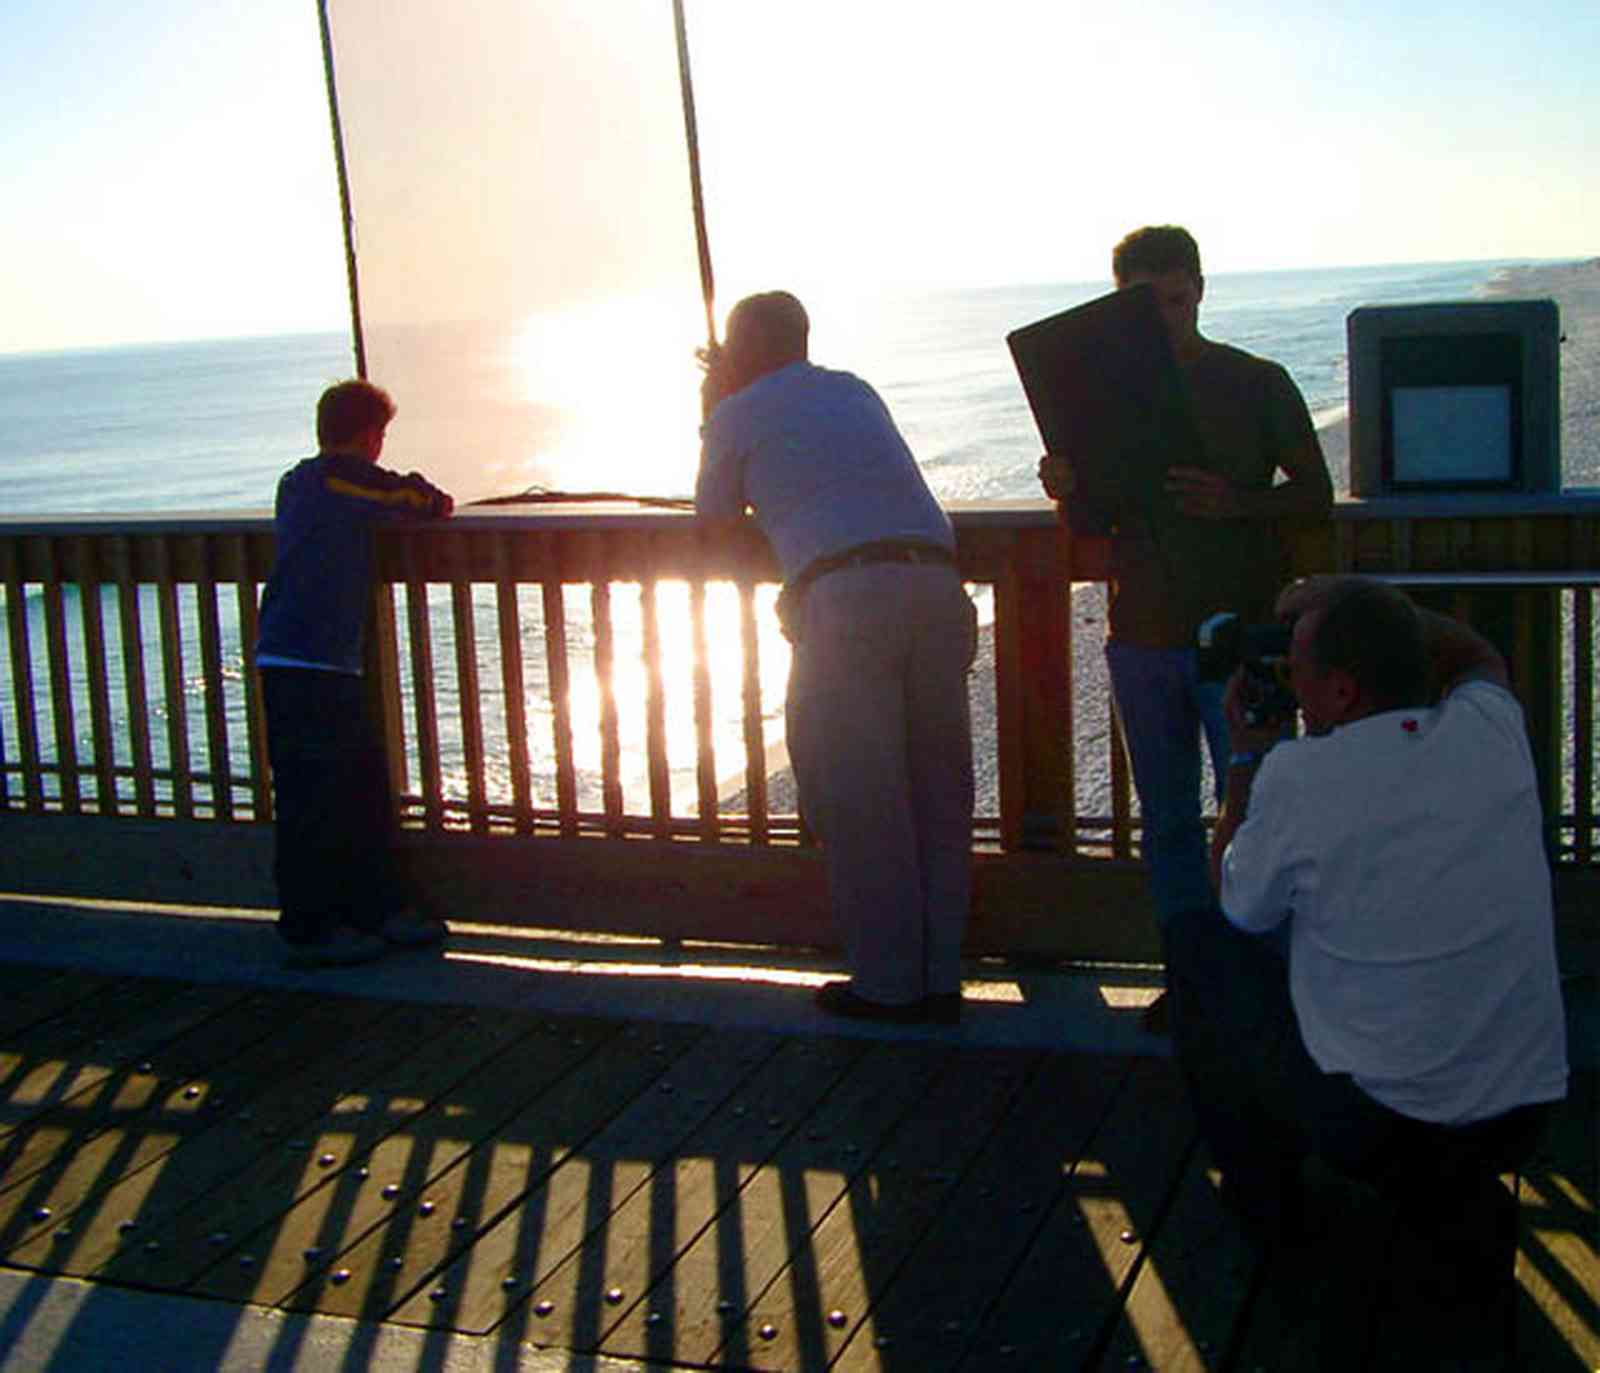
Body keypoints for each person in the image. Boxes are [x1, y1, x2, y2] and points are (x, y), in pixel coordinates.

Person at [1168, 575, 1568, 1294]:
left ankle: (1270, 1206)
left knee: (1200, 945)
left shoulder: (1299, 775)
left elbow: (1238, 903)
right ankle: (1455, 1188)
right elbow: (1475, 652)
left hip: (1381, 1122)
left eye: (1299, 667)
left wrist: (1243, 757)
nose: (1289, 680)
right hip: (1523, 1109)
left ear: (1344, 692)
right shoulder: (1490, 726)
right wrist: (1368, 601)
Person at [1038, 226, 1333, 1020]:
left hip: (1247, 635)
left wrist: (1238, 503)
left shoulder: (1257, 381)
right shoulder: (1103, 401)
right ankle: (1195, 982)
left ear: (1199, 290)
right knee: (1167, 822)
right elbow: (1090, 525)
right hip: (1139, 637)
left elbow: (1316, 494)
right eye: (1144, 305)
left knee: (1266, 814)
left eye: (1173, 298)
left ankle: (1274, 983)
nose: (1164, 319)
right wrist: (1063, 484)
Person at [695, 291, 977, 1024]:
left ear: (742, 350)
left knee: (861, 795)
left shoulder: (735, 411)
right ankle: (941, 978)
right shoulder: (852, 389)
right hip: (937, 581)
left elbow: (713, 518)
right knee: (940, 792)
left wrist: (711, 407)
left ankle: (889, 984)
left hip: (848, 598)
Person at [256, 379, 455, 968]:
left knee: (348, 790)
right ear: (370, 436)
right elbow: (427, 501)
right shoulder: (343, 480)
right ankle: (312, 927)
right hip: (313, 661)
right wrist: (414, 488)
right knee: (319, 799)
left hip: (299, 657)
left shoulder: (297, 481)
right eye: (380, 436)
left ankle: (368, 911)